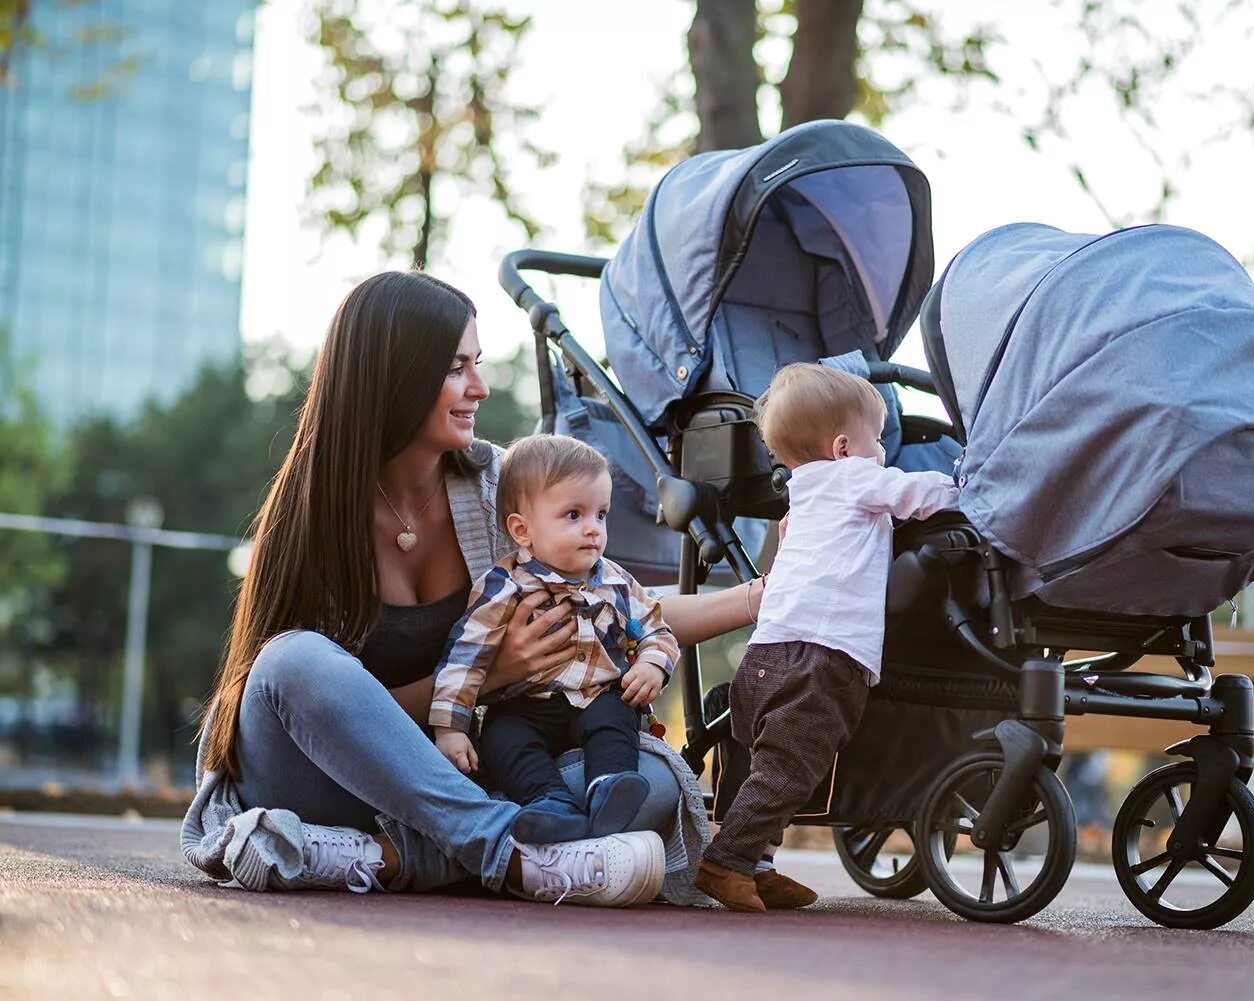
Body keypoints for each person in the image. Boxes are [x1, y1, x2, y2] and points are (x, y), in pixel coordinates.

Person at [181, 271, 767, 906]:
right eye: (457, 368)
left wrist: (757, 599)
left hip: (456, 781)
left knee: (648, 780)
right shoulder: (311, 510)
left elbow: (618, 605)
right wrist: (488, 676)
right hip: (323, 780)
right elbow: (302, 705)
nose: (480, 388)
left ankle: (382, 856)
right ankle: (510, 856)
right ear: (396, 375)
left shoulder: (493, 490)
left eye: (477, 364)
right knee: (293, 660)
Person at [694, 363, 960, 912]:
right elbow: (915, 494)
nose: (882, 454)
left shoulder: (801, 501)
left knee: (773, 765)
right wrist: (965, 482)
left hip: (768, 654)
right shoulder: (854, 477)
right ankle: (725, 863)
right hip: (819, 656)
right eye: (877, 442)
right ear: (843, 447)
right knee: (790, 770)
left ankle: (758, 864)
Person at [430, 435, 678, 844]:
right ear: (522, 530)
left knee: (617, 716)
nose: (592, 530)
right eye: (573, 515)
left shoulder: (615, 580)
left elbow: (656, 626)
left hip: (597, 696)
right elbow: (464, 658)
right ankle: (548, 801)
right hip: (527, 706)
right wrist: (449, 728)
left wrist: (653, 663)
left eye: (601, 515)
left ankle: (610, 786)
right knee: (502, 736)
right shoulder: (504, 587)